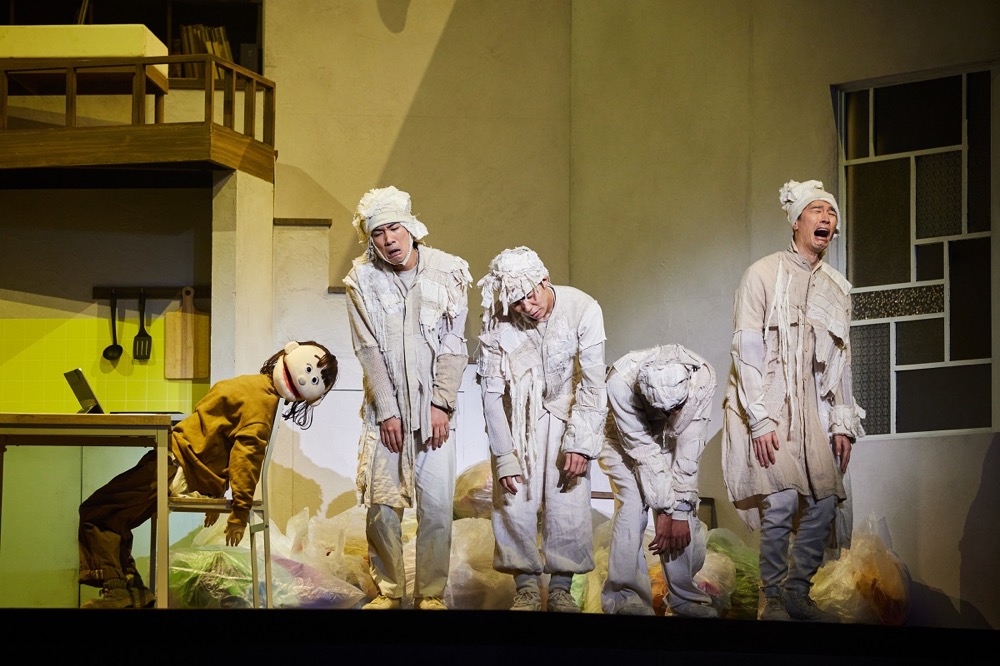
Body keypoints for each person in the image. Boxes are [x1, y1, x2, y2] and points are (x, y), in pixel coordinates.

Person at [79, 340, 338, 608]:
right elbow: (223, 443)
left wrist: (239, 512)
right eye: (309, 370)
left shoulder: (257, 397)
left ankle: (120, 590)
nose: (305, 379)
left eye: (315, 379)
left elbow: (246, 459)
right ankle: (131, 591)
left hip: (174, 466)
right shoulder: (260, 397)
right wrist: (216, 491)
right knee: (115, 516)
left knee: (97, 513)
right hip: (178, 464)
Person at [721, 179, 865, 622]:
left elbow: (840, 359)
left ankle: (797, 592)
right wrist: (759, 419)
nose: (826, 218)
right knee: (780, 500)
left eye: (832, 212)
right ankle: (772, 597)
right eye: (817, 210)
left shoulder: (836, 288)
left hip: (814, 408)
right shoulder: (762, 273)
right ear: (797, 220)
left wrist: (842, 422)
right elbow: (746, 349)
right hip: (767, 400)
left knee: (824, 500)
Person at [343, 185, 471, 611]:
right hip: (385, 413)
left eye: (394, 229)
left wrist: (441, 403)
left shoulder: (449, 272)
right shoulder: (361, 279)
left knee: (436, 506)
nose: (388, 240)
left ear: (412, 228)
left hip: (434, 410)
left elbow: (453, 344)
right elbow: (368, 349)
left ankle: (430, 593)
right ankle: (390, 591)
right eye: (378, 233)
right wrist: (387, 411)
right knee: (382, 504)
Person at [476, 246, 607, 612]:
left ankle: (562, 587)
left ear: (545, 280)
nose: (526, 306)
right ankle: (526, 588)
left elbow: (593, 383)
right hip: (519, 415)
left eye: (530, 295)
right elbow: (490, 394)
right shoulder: (497, 320)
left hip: (568, 412)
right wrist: (504, 454)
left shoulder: (583, 307)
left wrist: (581, 443)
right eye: (516, 302)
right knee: (514, 497)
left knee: (569, 497)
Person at [599, 344, 720, 618]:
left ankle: (684, 598)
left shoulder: (703, 377)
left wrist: (676, 511)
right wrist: (663, 509)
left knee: (681, 513)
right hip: (621, 438)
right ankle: (625, 597)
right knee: (633, 506)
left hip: (668, 437)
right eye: (663, 410)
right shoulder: (619, 382)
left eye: (677, 408)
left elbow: (689, 450)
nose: (672, 414)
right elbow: (644, 452)